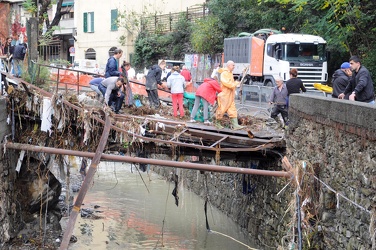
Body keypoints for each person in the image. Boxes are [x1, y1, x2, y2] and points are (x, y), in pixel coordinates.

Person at [215, 60, 244, 130]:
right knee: (221, 109)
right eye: (233, 65)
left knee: (233, 110)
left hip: (230, 95)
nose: (234, 67)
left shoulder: (230, 73)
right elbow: (227, 83)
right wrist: (235, 84)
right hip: (224, 95)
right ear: (229, 65)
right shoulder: (224, 73)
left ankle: (235, 125)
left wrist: (236, 83)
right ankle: (217, 123)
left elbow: (231, 82)